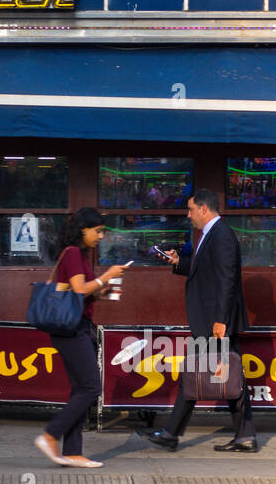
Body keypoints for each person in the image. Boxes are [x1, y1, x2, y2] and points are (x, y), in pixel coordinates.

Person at [142, 188, 256, 453]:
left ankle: (171, 433)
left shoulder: (222, 235)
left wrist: (220, 320)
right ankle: (244, 435)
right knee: (222, 375)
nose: (188, 214)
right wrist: (177, 261)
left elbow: (227, 280)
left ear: (204, 209)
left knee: (204, 374)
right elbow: (205, 271)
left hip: (214, 322)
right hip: (211, 320)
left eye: (191, 209)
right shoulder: (211, 234)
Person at [33, 207, 130, 469]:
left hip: (76, 327)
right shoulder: (74, 253)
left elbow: (85, 292)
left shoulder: (79, 255)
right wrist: (106, 277)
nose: (100, 236)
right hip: (72, 330)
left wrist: (104, 290)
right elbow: (78, 289)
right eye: (97, 231)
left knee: (80, 389)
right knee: (90, 388)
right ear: (83, 230)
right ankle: (50, 435)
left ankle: (73, 452)